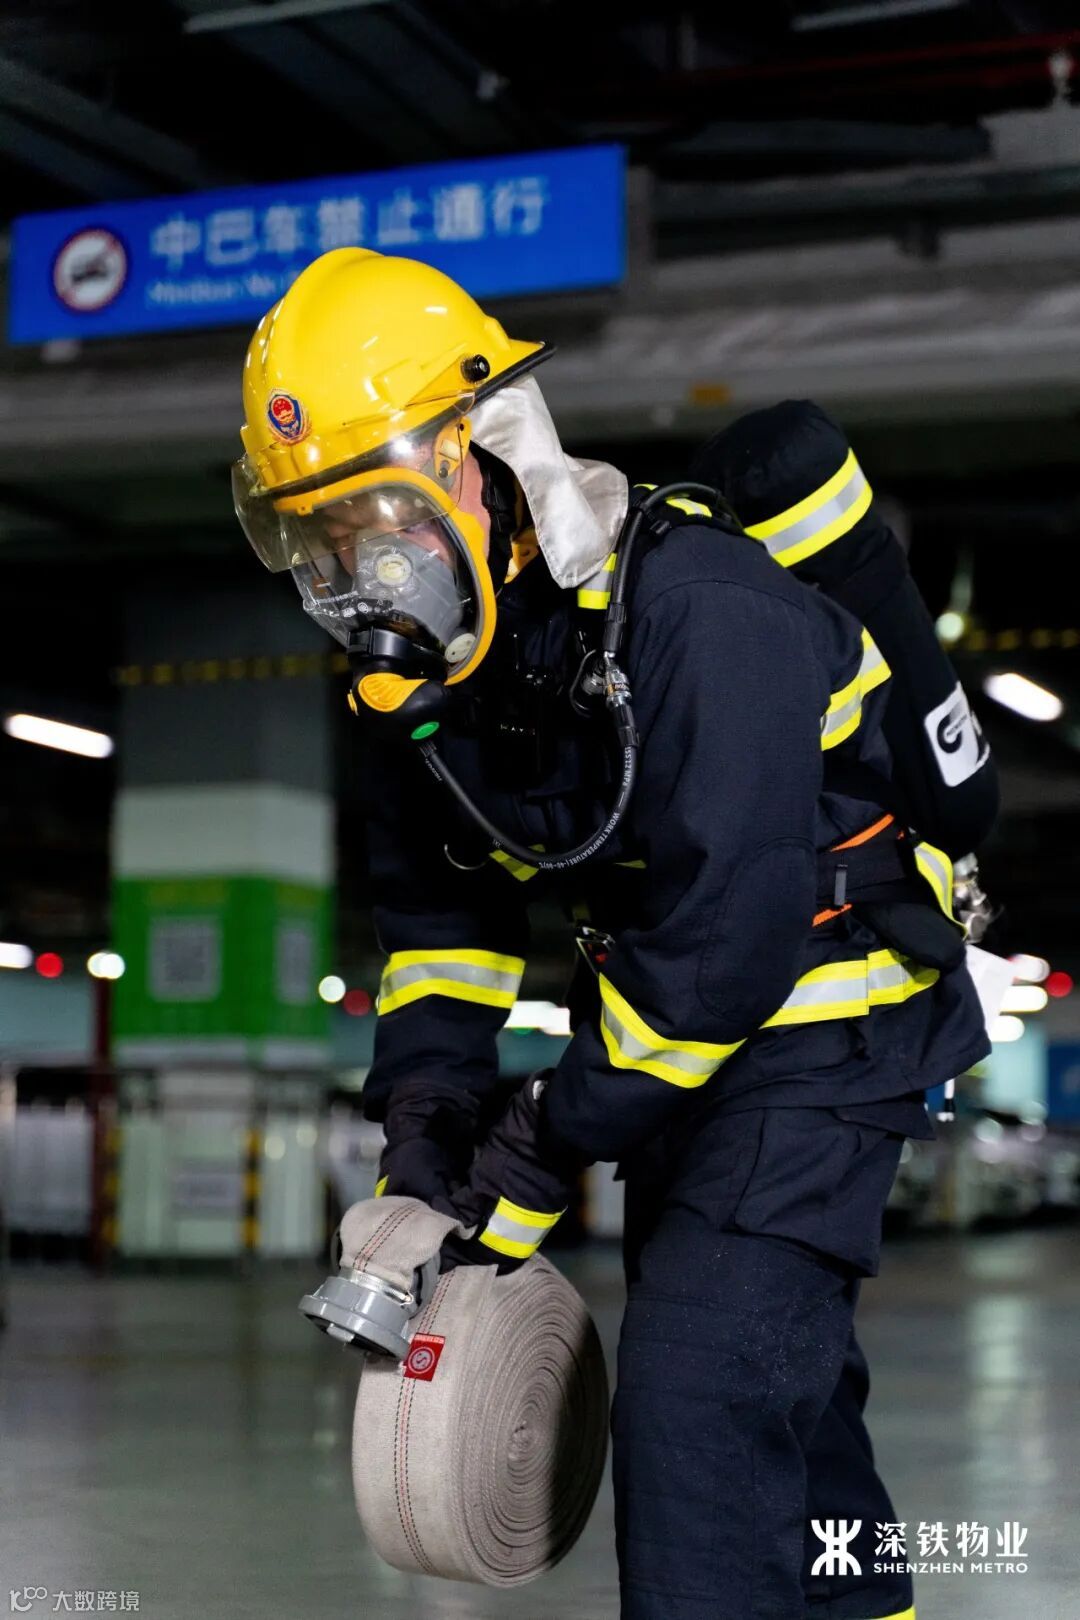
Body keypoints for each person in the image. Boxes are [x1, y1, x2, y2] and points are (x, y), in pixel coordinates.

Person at [233, 247, 994, 1620]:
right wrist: (423, 1150)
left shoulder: (703, 612)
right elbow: (444, 932)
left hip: (825, 1039)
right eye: (320, 538)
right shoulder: (434, 687)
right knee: (784, 1404)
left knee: (696, 1411)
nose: (361, 571)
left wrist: (527, 1158)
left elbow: (722, 954)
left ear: (488, 454)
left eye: (378, 514)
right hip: (679, 1065)